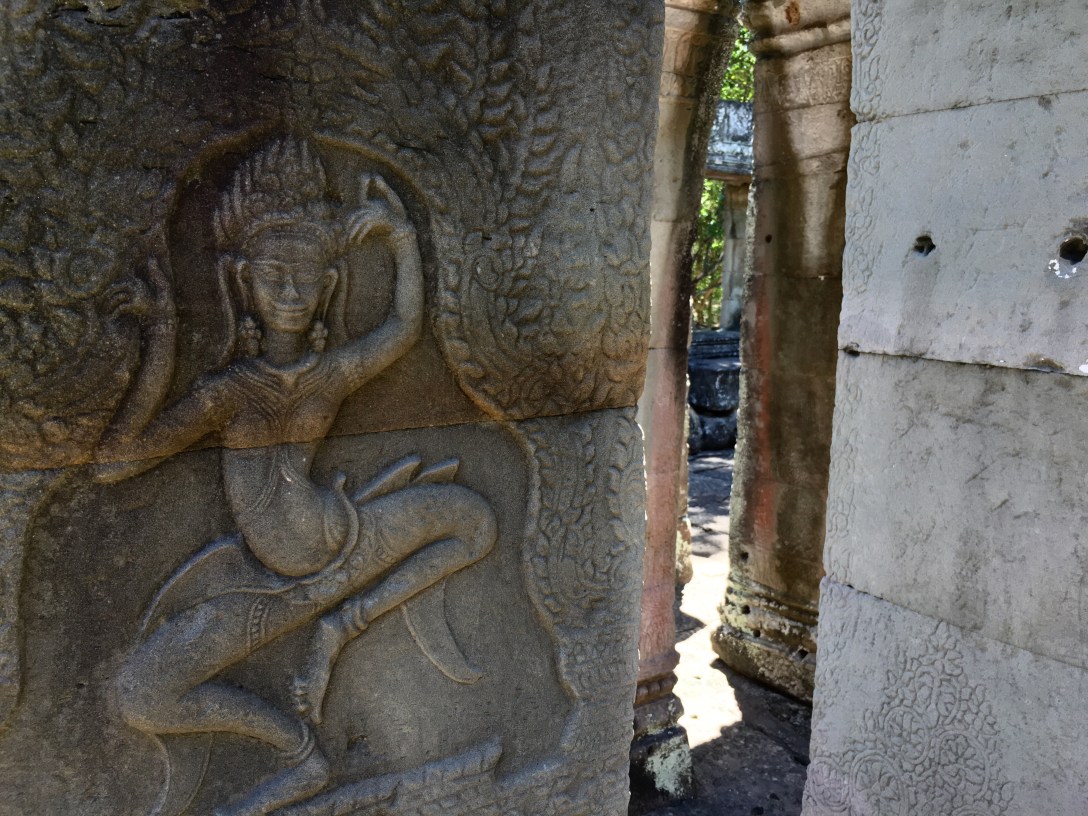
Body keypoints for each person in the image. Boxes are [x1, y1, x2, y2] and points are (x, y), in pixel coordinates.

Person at [95, 139, 497, 816]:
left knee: (474, 520)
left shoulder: (331, 374)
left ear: (329, 286)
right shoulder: (227, 393)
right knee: (141, 696)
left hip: (343, 541)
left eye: (305, 277)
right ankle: (296, 750)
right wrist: (162, 339)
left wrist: (401, 238)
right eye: (274, 274)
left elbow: (403, 328)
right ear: (241, 282)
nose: (289, 290)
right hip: (261, 584)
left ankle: (340, 629)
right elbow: (114, 462)